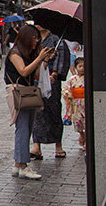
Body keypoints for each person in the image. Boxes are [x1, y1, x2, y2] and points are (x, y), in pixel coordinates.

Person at [5, 24, 54, 180]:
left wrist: (44, 60)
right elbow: (24, 71)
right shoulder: (14, 53)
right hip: (17, 92)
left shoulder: (30, 53)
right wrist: (39, 57)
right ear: (25, 37)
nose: (36, 41)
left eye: (38, 38)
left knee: (26, 127)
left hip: (28, 91)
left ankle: (17, 164)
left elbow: (36, 74)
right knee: (22, 127)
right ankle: (23, 165)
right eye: (33, 38)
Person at [31, 24, 71, 160]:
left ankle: (58, 144)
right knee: (37, 113)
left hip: (50, 79)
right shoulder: (33, 39)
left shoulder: (56, 40)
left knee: (54, 110)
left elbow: (62, 58)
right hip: (36, 78)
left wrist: (54, 74)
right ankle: (36, 145)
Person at [61, 58, 86, 152]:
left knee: (86, 122)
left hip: (85, 102)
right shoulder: (72, 79)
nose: (82, 68)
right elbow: (66, 89)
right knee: (78, 123)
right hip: (76, 104)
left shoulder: (89, 78)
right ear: (75, 68)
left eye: (84, 66)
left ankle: (86, 141)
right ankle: (82, 135)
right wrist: (68, 94)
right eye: (80, 66)